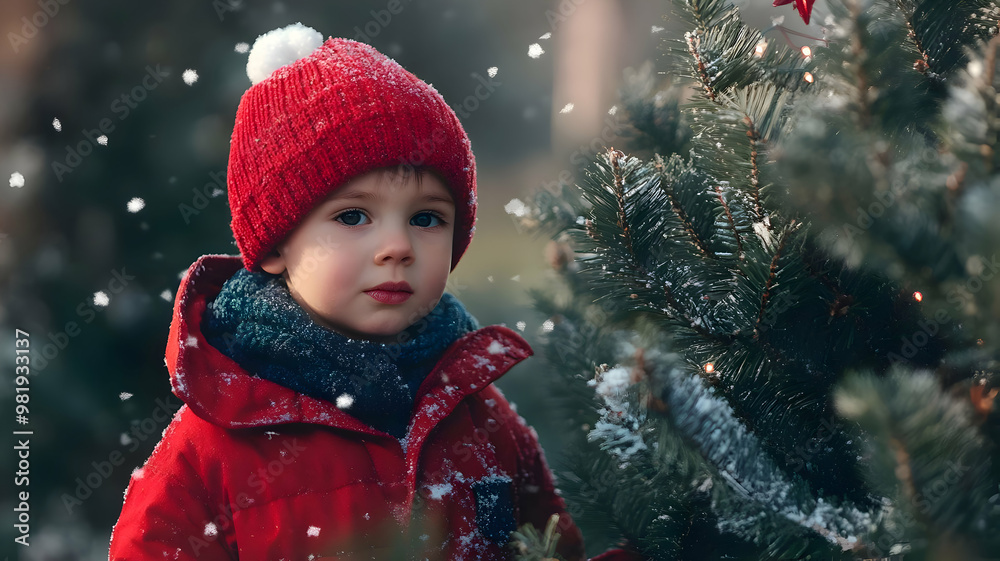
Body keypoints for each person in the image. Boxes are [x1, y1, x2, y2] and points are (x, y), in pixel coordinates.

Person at [107, 23, 589, 560]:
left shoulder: (481, 418)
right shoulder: (210, 450)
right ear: (275, 246)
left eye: (427, 217)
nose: (397, 246)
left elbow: (553, 549)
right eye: (353, 216)